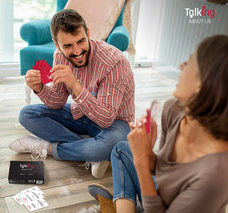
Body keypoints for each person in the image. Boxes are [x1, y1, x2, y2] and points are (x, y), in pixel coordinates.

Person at [88, 34, 228, 212]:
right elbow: (162, 172)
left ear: (202, 86)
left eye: (188, 63)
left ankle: (122, 206)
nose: (180, 66)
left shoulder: (215, 176)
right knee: (121, 149)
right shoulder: (174, 111)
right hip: (163, 199)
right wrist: (146, 152)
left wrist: (140, 161)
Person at [9, 9, 135, 178]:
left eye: (81, 41)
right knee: (27, 114)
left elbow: (106, 119)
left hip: (115, 122)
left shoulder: (114, 62)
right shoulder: (59, 56)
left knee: (114, 144)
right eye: (67, 46)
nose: (77, 51)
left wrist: (75, 85)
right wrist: (39, 88)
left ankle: (48, 148)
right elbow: (57, 102)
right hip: (81, 114)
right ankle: (89, 152)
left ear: (88, 33)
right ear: (56, 44)